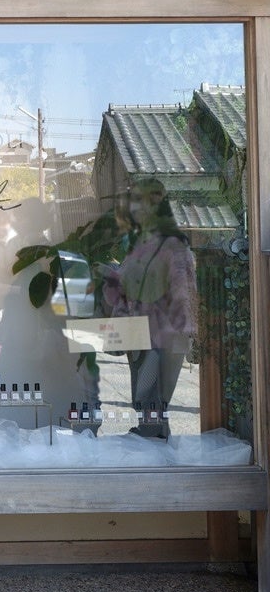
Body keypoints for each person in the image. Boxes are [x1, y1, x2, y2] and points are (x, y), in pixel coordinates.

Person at [99, 178, 197, 438]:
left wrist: (184, 333)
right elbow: (127, 287)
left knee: (152, 403)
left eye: (141, 202)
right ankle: (153, 443)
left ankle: (154, 446)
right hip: (140, 333)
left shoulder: (172, 244)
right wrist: (111, 276)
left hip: (162, 334)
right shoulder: (141, 242)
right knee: (146, 404)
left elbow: (182, 292)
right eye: (133, 202)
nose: (134, 209)